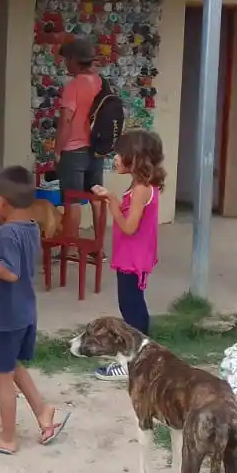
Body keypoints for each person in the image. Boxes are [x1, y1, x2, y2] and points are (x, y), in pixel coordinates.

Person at [0, 165, 68, 454]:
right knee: (12, 366)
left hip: (5, 316)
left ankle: (8, 437)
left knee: (2, 376)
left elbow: (10, 272)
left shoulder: (8, 234)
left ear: (4, 203)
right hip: (22, 312)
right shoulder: (30, 226)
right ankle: (43, 410)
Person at [91, 130, 164, 379]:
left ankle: (134, 360)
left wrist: (111, 200)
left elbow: (129, 227)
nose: (115, 158)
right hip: (131, 255)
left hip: (134, 256)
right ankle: (141, 358)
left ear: (135, 157)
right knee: (131, 304)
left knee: (132, 307)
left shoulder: (142, 188)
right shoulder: (139, 184)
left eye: (120, 154)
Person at [54, 37, 105, 199]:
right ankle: (100, 226)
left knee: (72, 200)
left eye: (66, 59)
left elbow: (66, 121)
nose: (65, 63)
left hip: (74, 150)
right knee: (97, 198)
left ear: (74, 60)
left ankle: (72, 227)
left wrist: (57, 151)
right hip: (97, 148)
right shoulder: (101, 83)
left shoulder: (73, 86)